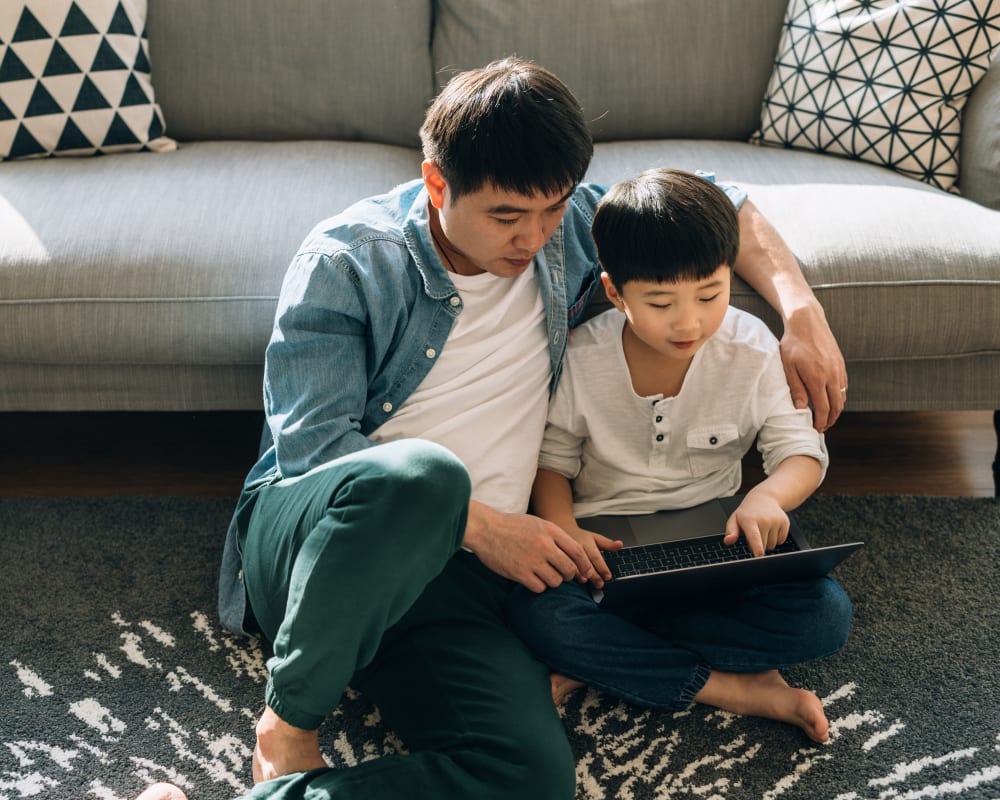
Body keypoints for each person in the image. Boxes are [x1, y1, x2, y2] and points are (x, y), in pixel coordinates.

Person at [214, 57, 848, 799]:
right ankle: (289, 721)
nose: (535, 237)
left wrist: (803, 314)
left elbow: (726, 204)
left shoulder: (567, 226)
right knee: (425, 477)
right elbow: (313, 452)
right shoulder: (349, 261)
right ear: (436, 184)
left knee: (532, 779)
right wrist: (485, 528)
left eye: (552, 210)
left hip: (466, 578)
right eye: (508, 216)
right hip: (331, 539)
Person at [505, 168, 853, 744]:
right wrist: (565, 529)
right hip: (601, 548)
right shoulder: (584, 356)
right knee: (536, 610)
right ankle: (733, 686)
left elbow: (800, 452)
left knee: (824, 617)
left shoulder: (752, 348)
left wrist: (767, 496)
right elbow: (552, 461)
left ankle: (602, 655)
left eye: (710, 295)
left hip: (713, 548)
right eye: (661, 302)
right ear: (616, 293)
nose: (689, 321)